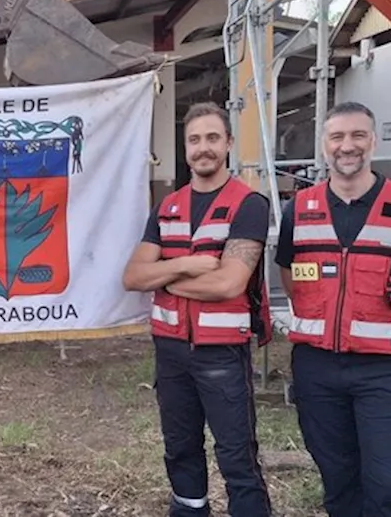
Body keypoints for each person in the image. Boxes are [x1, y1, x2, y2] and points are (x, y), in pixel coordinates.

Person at [275, 101, 391, 517]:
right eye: (337, 137)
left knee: (388, 484)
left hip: (382, 372)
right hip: (317, 369)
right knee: (338, 481)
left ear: (372, 141)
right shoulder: (298, 210)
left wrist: (390, 324)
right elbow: (289, 276)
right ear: (324, 146)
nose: (346, 146)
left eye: (357, 136)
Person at [122, 101, 274, 517]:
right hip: (171, 354)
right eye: (194, 140)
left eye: (211, 138)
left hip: (221, 352)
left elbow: (229, 283)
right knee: (180, 450)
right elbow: (133, 277)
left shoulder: (249, 205)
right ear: (185, 148)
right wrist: (186, 265)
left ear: (227, 143)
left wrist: (163, 276)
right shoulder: (168, 207)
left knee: (236, 456)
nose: (202, 147)